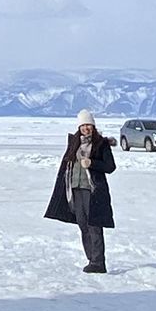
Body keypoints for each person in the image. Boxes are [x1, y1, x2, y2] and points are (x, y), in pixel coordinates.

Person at [44, 109, 118, 273]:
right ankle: (91, 259)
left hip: (93, 191)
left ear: (93, 126)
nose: (86, 128)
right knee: (83, 225)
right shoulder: (74, 143)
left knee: (94, 225)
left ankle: (99, 262)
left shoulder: (101, 144)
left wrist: (92, 163)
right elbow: (67, 163)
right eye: (83, 125)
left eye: (89, 125)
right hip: (75, 189)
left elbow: (110, 167)